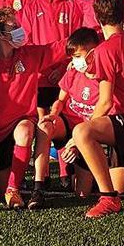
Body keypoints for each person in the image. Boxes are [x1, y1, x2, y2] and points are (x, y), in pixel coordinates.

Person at [0, 7, 66, 209]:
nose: (19, 29)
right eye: (13, 27)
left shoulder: (29, 54)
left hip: (22, 122)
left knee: (25, 130)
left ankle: (13, 189)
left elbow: (61, 47)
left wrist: (93, 36)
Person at [71, 0, 124, 218]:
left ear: (97, 17)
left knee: (82, 132)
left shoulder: (105, 49)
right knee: (121, 183)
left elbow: (105, 102)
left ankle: (108, 199)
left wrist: (75, 140)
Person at [24, 0, 81, 194]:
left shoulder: (70, 7)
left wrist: (65, 66)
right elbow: (26, 44)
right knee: (42, 124)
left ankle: (67, 172)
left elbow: (78, 41)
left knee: (62, 122)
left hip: (64, 77)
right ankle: (44, 173)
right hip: (39, 79)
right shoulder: (29, 8)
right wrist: (39, 69)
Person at [37, 28, 104, 199]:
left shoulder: (104, 77)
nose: (77, 61)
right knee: (45, 125)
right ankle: (39, 185)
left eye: (79, 55)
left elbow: (104, 113)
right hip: (69, 126)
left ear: (94, 51)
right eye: (73, 57)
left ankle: (101, 166)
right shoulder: (73, 72)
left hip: (88, 134)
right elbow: (60, 100)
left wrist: (77, 143)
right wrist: (53, 114)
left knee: (82, 193)